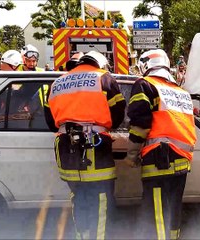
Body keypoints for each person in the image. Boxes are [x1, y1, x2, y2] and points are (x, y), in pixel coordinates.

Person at [44, 51, 126, 240]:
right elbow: (118, 112)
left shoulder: (58, 83)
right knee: (101, 200)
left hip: (65, 148)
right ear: (100, 64)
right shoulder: (103, 78)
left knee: (79, 198)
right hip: (94, 146)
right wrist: (103, 126)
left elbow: (50, 121)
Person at [124, 49, 196, 240]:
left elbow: (140, 123)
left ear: (145, 65)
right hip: (182, 160)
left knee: (157, 213)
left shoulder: (145, 85)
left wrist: (132, 155)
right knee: (173, 210)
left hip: (159, 159)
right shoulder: (181, 92)